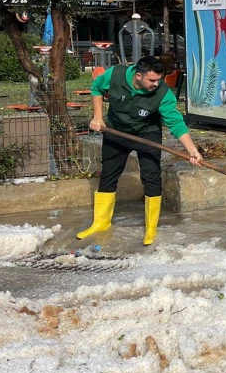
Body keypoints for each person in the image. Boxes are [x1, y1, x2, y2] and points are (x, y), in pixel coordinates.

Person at [77, 55, 202, 246]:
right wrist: (97, 117)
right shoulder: (115, 75)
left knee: (151, 177)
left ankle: (151, 228)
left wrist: (192, 150)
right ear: (138, 76)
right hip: (116, 130)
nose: (156, 84)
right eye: (152, 80)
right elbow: (97, 89)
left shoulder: (163, 93)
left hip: (147, 134)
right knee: (108, 175)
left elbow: (175, 123)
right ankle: (101, 222)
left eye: (158, 79)